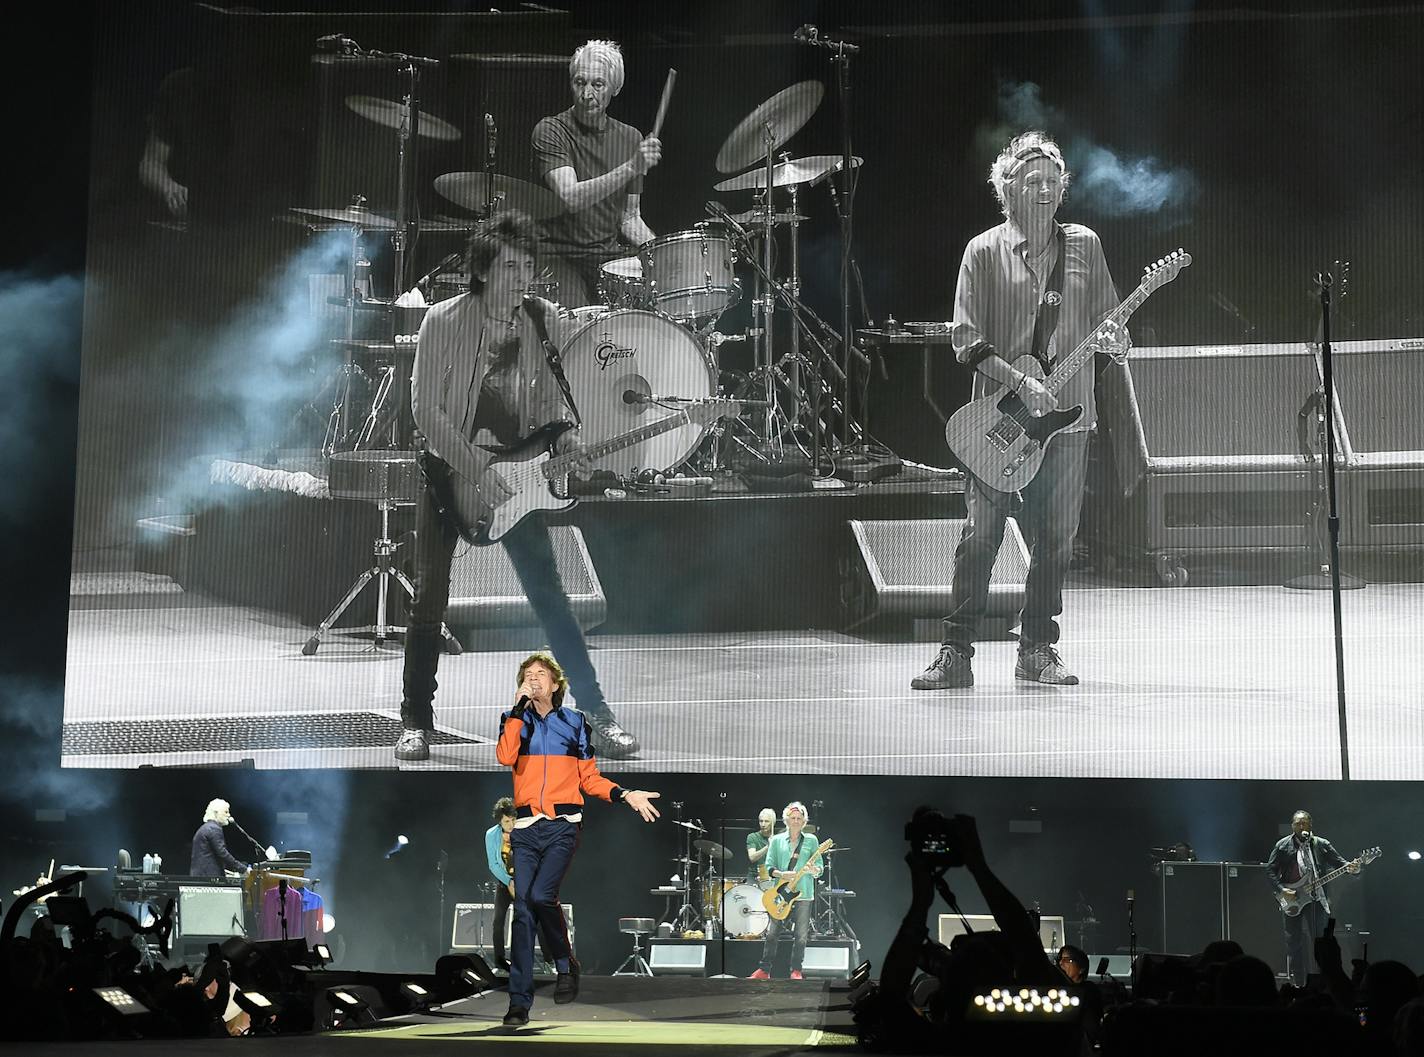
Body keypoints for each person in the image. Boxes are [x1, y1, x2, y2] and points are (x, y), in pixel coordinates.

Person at [394, 209, 639, 762]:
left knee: (551, 599)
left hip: (522, 474)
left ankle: (597, 715)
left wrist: (569, 437)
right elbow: (425, 412)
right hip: (449, 473)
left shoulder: (543, 319)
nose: (522, 276)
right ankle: (416, 719)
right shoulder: (443, 319)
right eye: (510, 266)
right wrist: (477, 467)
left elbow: (559, 397)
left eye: (528, 265)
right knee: (429, 596)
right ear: (483, 270)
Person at [912, 131, 1129, 692]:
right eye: (1034, 182)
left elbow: (1109, 322)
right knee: (980, 535)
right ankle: (955, 652)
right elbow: (964, 338)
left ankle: (1037, 649)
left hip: (1071, 418)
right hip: (999, 423)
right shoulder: (983, 251)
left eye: (1055, 183)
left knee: (1057, 538)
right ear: (1007, 188)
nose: (1046, 191)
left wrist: (1116, 339)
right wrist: (1020, 383)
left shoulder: (1086, 245)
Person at [495, 651, 661, 1027]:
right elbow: (506, 756)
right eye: (527, 675)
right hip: (524, 830)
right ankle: (518, 1003)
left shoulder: (575, 723)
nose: (533, 679)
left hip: (561, 826)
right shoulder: (514, 721)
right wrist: (517, 712)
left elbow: (589, 779)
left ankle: (565, 961)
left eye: (541, 674)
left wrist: (625, 794)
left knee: (540, 897)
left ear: (556, 683)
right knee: (522, 912)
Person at [531, 39, 662, 307]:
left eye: (597, 85)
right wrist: (631, 167)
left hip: (606, 258)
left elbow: (629, 218)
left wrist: (662, 251)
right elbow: (571, 197)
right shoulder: (551, 130)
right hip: (559, 257)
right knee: (579, 328)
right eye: (580, 82)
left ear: (615, 88)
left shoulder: (630, 138)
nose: (587, 94)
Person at [1265, 809, 1359, 987]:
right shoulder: (1283, 845)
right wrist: (1282, 890)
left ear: (1310, 824)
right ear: (1292, 826)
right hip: (1292, 900)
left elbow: (1340, 863)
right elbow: (1270, 870)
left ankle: (1325, 983)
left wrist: (1353, 868)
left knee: (1322, 942)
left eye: (1304, 823)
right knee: (1294, 942)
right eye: (1298, 823)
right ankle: (1298, 983)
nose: (1301, 826)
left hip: (1316, 899)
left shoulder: (1321, 844)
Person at [749, 801, 822, 981]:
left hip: (804, 893)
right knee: (773, 933)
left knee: (801, 937)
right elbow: (769, 866)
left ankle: (796, 970)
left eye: (799, 818)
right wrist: (782, 874)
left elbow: (819, 866)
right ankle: (764, 970)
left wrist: (815, 871)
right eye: (792, 818)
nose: (796, 821)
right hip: (781, 893)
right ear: (786, 820)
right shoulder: (776, 840)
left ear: (804, 821)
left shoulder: (811, 841)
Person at [484, 796, 557, 972]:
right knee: (497, 922)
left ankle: (549, 961)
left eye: (513, 819)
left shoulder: (526, 831)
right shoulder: (491, 835)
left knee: (537, 920)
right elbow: (493, 863)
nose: (510, 824)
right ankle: (500, 962)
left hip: (526, 882)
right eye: (506, 821)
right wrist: (508, 881)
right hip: (504, 883)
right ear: (500, 821)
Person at [189, 798, 246, 877]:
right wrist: (243, 869)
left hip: (201, 874)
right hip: (208, 877)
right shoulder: (214, 828)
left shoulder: (207, 827)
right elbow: (222, 853)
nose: (228, 815)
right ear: (216, 813)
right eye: (226, 812)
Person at [746, 807, 777, 883]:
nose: (763, 824)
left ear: (773, 823)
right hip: (755, 876)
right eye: (761, 821)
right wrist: (768, 846)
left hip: (773, 875)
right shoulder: (752, 837)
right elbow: (752, 857)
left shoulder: (778, 838)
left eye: (766, 821)